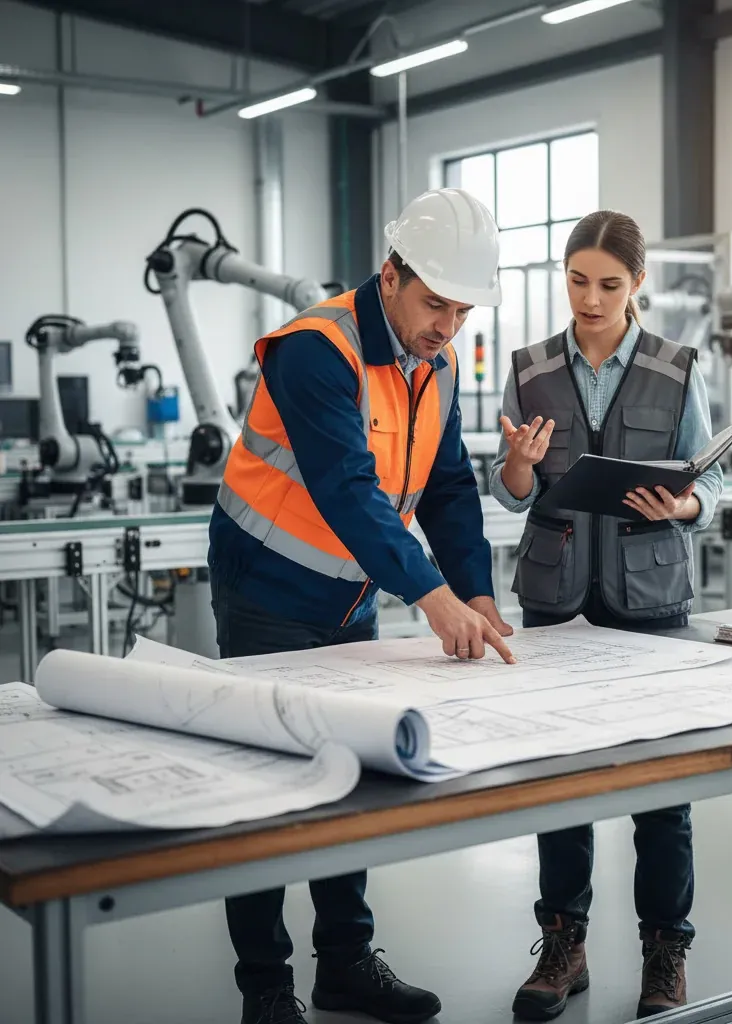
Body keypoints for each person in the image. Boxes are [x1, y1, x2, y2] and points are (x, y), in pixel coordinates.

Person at [209, 187, 516, 1024]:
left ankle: (344, 963)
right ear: (391, 274)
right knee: (269, 789)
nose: (447, 326)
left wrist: (478, 592)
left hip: (350, 594)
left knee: (348, 778)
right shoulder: (316, 349)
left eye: (461, 311)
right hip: (267, 585)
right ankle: (266, 988)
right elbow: (347, 489)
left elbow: (448, 486)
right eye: (434, 304)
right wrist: (432, 596)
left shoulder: (438, 363)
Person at [490, 209, 723, 1021]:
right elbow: (512, 490)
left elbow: (715, 486)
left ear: (639, 284)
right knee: (563, 782)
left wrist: (686, 501)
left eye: (609, 285)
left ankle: (666, 953)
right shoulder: (528, 368)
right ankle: (564, 944)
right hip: (556, 603)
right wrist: (516, 471)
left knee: (663, 791)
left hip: (651, 601)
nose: (590, 299)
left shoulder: (676, 367)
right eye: (577, 280)